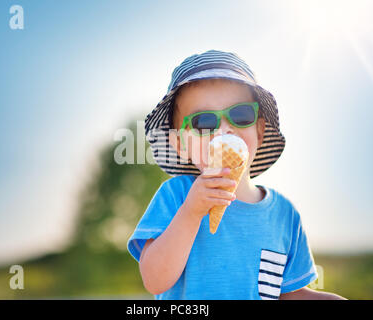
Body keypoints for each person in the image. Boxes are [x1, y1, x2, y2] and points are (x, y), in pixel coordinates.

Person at [127, 50, 345, 300]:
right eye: (203, 121)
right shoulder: (175, 196)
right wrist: (191, 212)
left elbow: (288, 294)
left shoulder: (285, 215)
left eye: (241, 115)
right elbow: (155, 280)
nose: (224, 129)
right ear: (180, 145)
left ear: (260, 131)